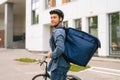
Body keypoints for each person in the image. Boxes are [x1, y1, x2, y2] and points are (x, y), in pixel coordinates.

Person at [46, 9, 70, 80]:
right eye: (51, 17)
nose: (52, 19)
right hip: (62, 64)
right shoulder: (62, 30)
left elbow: (60, 48)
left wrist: (51, 55)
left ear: (60, 19)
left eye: (54, 17)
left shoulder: (58, 32)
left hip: (58, 66)